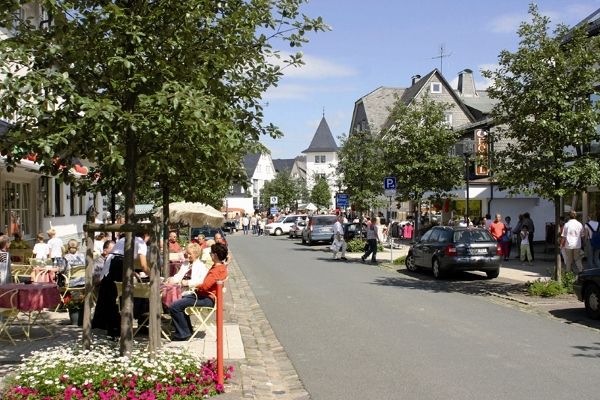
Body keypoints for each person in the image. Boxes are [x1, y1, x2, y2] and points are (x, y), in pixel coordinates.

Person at [92, 232, 150, 337]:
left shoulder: (124, 239)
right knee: (118, 296)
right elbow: (143, 266)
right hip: (118, 264)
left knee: (110, 294)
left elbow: (121, 256)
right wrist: (153, 275)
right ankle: (116, 329)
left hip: (110, 263)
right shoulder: (141, 242)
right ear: (146, 235)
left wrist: (131, 271)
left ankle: (109, 327)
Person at [169, 242, 229, 341]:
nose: (210, 255)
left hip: (207, 298)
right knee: (179, 301)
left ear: (215, 255)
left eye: (211, 253)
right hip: (205, 296)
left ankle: (183, 333)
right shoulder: (219, 267)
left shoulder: (216, 270)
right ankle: (186, 330)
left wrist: (195, 287)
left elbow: (205, 286)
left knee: (174, 306)